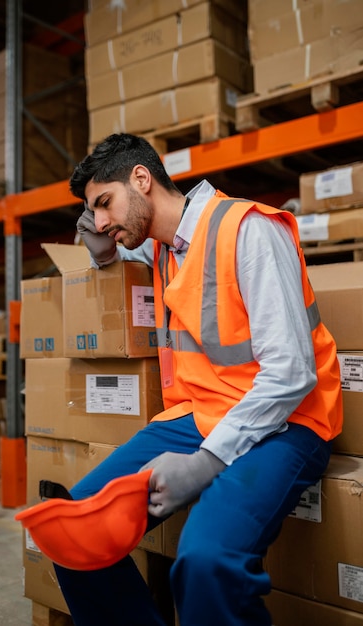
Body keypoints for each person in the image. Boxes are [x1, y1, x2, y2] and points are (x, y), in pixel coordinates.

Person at [53, 133, 343, 626]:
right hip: (202, 414)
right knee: (74, 530)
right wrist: (103, 250)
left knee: (206, 564)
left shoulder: (248, 230)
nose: (100, 220)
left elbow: (291, 374)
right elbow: (128, 254)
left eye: (105, 203)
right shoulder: (164, 245)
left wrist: (209, 461)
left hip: (288, 420)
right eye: (94, 212)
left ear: (142, 179)